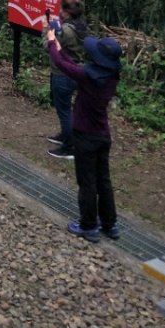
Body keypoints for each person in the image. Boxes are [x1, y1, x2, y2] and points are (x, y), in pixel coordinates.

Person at [46, 28, 124, 242]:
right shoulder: (109, 77)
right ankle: (110, 224)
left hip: (85, 136)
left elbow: (63, 66)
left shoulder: (89, 76)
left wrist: (52, 43)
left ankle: (89, 225)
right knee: (103, 181)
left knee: (87, 181)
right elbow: (73, 66)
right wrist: (60, 48)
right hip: (102, 135)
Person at [44, 0, 88, 160]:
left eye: (62, 10)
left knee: (64, 111)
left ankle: (69, 148)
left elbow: (48, 45)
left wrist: (47, 28)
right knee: (66, 108)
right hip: (73, 70)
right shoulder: (81, 26)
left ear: (68, 13)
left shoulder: (67, 31)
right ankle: (65, 135)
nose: (60, 12)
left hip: (63, 73)